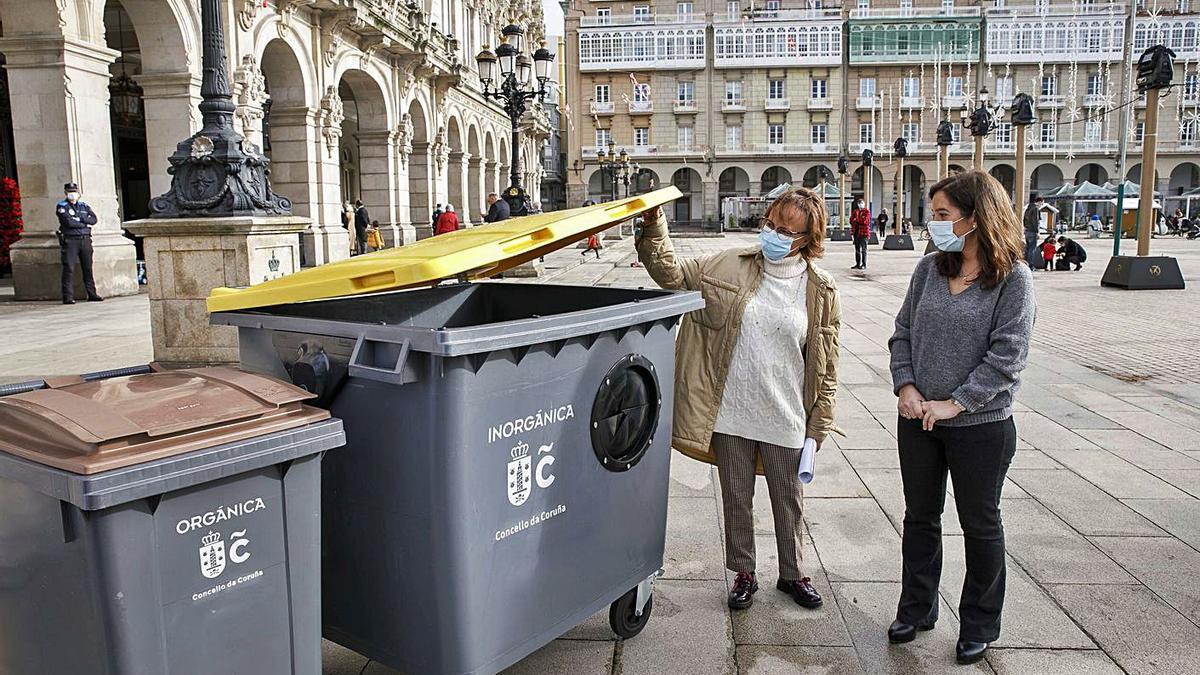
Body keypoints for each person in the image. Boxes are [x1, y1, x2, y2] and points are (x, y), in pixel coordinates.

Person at [636, 187, 842, 613]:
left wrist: (818, 425)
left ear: (806, 239)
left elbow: (827, 361)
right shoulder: (728, 263)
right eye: (771, 224)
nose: (774, 234)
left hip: (786, 412)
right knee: (736, 496)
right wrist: (655, 224)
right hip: (730, 409)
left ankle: (793, 573)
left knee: (789, 499)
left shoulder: (820, 289)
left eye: (787, 230)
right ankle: (744, 572)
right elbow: (671, 274)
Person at [888, 169, 1035, 666]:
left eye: (944, 215)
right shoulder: (929, 269)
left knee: (981, 523)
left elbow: (1008, 355)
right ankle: (916, 608)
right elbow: (903, 332)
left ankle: (978, 623)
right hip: (919, 421)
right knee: (920, 518)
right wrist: (906, 386)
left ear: (975, 218)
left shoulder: (1013, 278)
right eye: (934, 215)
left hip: (981, 427)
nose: (935, 224)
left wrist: (958, 402)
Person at [56, 182, 102, 304]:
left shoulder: (84, 206)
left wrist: (79, 219)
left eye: (74, 192)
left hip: (85, 239)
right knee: (69, 268)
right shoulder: (62, 206)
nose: (73, 194)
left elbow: (93, 219)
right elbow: (69, 223)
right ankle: (68, 297)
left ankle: (92, 294)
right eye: (70, 192)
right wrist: (83, 222)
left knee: (88, 268)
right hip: (70, 240)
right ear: (66, 193)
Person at [1022, 195, 1043, 267]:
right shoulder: (1035, 209)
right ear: (1039, 202)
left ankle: (1025, 264)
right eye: (1042, 203)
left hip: (1027, 231)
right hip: (1032, 231)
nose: (1041, 205)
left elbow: (1024, 219)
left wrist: (1025, 227)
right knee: (1032, 249)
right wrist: (1037, 232)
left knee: (1028, 248)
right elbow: (1036, 221)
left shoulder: (1028, 208)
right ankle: (1031, 265)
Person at [851, 198, 872, 270]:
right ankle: (857, 263)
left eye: (861, 203)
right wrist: (856, 220)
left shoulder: (866, 211)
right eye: (859, 203)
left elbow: (865, 221)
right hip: (856, 233)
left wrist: (856, 220)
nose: (860, 204)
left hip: (864, 233)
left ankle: (864, 264)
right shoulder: (855, 211)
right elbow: (851, 220)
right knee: (857, 249)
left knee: (863, 249)